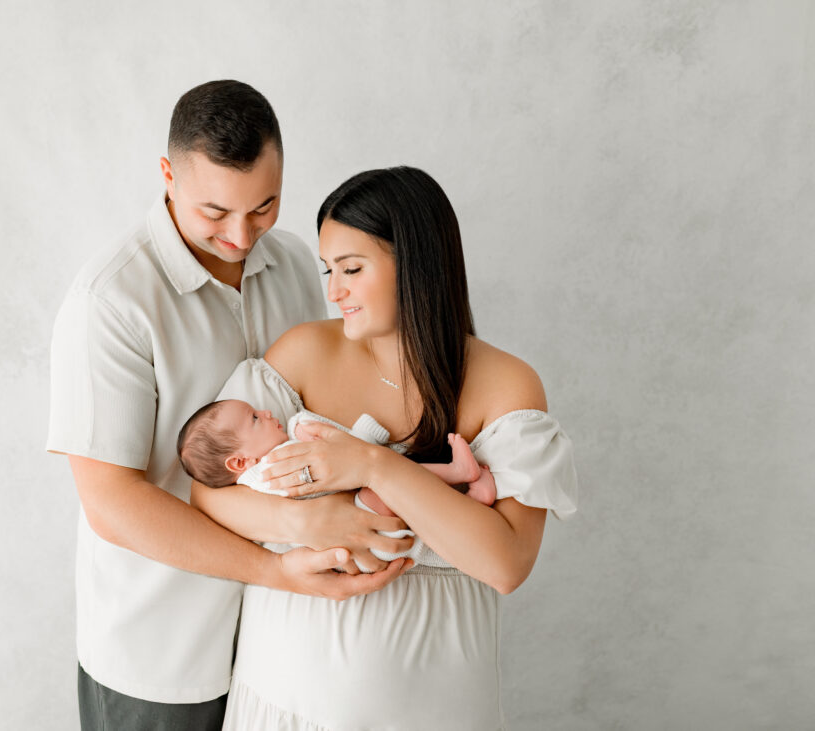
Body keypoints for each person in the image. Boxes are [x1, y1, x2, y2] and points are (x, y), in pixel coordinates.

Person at [46, 81, 412, 731]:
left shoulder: (299, 262)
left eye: (264, 206)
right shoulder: (111, 301)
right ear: (167, 175)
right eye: (215, 212)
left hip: (281, 646)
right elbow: (110, 500)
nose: (242, 235)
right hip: (162, 661)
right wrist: (277, 567)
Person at [191, 166, 579, 729]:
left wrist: (374, 463)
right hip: (285, 694)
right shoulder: (301, 354)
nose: (333, 291)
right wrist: (315, 523)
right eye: (329, 270)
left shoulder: (507, 384)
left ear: (418, 266)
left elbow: (506, 563)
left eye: (351, 269)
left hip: (438, 706)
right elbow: (212, 495)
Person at [177, 398, 498, 571]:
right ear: (239, 462)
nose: (265, 411)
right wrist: (365, 435)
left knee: (403, 487)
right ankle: (460, 481)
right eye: (255, 419)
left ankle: (464, 487)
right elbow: (344, 464)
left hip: (357, 527)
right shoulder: (271, 470)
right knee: (397, 486)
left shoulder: (266, 471)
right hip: (364, 536)